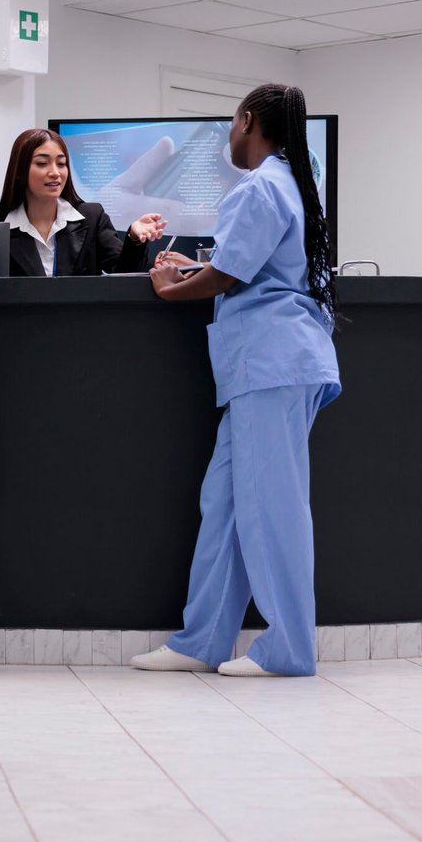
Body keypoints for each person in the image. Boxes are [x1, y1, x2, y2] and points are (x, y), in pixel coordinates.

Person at [130, 84, 340, 678]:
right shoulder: (291, 181)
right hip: (270, 365)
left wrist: (172, 286)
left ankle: (290, 649)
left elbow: (227, 275)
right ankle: (201, 639)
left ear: (248, 121)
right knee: (224, 503)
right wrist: (197, 270)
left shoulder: (260, 186)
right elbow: (255, 268)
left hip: (271, 365)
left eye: (230, 123)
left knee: (272, 508)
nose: (228, 134)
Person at [0, 128, 167, 277]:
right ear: (19, 172)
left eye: (61, 164)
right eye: (42, 163)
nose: (55, 172)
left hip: (84, 317)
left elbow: (124, 272)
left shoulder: (92, 217)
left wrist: (134, 238)